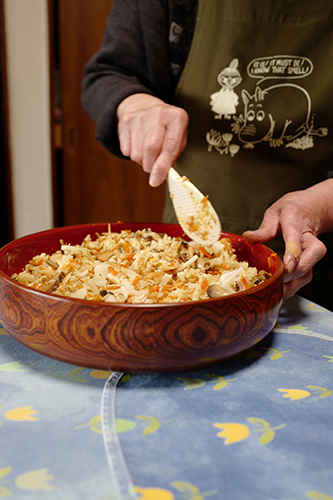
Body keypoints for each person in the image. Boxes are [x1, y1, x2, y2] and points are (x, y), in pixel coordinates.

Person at [82, 0, 333, 310]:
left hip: (323, 269)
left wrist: (321, 204)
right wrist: (134, 103)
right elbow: (109, 72)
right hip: (182, 263)